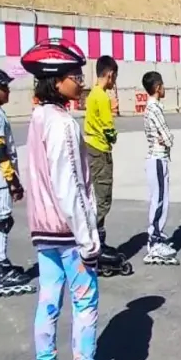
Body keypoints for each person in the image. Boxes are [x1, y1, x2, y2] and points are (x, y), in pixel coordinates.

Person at [20, 39, 125, 360]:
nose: (80, 82)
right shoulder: (63, 124)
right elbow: (72, 189)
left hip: (43, 230)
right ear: (56, 81)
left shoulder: (37, 118)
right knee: (85, 304)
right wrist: (89, 240)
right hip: (68, 232)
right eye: (73, 76)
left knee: (48, 302)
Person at [0, 68, 35, 298]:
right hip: (0, 177)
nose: (7, 91)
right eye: (3, 88)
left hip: (0, 176)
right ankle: (0, 267)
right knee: (1, 221)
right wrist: (12, 180)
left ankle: (1, 262)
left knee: (4, 220)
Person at [141, 71, 179, 266]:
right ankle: (154, 241)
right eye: (162, 85)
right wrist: (168, 139)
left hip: (157, 157)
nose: (164, 89)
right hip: (157, 158)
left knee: (160, 198)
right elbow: (167, 136)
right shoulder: (154, 109)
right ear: (157, 88)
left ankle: (157, 236)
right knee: (159, 200)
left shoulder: (151, 108)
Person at [84, 55, 119, 252]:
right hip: (101, 150)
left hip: (90, 147)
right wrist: (114, 137)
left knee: (94, 195)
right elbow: (108, 128)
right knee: (103, 198)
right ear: (110, 74)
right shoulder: (103, 97)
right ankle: (96, 241)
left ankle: (95, 239)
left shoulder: (92, 94)